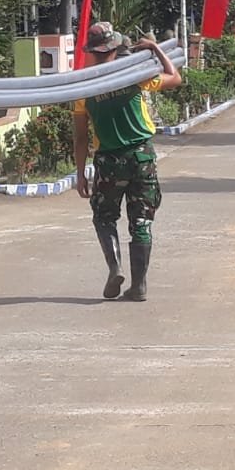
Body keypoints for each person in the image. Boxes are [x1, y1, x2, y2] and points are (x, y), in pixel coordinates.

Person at [72, 23, 182, 302]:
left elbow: (81, 138)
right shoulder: (134, 76)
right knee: (142, 221)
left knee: (104, 217)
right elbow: (174, 77)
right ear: (115, 48)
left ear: (91, 51)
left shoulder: (85, 88)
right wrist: (155, 47)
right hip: (141, 156)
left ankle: (115, 267)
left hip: (108, 161)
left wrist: (80, 174)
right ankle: (139, 285)